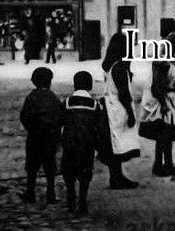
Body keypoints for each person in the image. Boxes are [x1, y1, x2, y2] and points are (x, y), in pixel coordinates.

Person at [61, 70, 107, 214]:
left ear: (74, 85)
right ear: (90, 86)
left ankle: (70, 195)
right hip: (87, 144)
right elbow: (100, 127)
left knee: (69, 170)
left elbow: (59, 122)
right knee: (85, 172)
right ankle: (82, 200)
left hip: (69, 143)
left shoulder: (67, 102)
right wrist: (100, 146)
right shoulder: (94, 105)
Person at [99, 32, 140, 189]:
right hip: (118, 109)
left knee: (114, 144)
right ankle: (117, 178)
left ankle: (116, 176)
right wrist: (130, 113)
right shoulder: (120, 69)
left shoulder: (112, 66)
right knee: (118, 144)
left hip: (111, 106)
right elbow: (124, 94)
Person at [19, 66, 63, 205]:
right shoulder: (53, 97)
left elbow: (24, 116)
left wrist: (31, 128)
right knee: (50, 166)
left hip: (35, 137)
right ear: (50, 81)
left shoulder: (32, 97)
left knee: (32, 166)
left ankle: (30, 192)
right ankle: (51, 193)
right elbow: (59, 117)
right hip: (50, 137)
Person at [138, 55, 175, 177]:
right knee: (162, 131)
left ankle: (167, 164)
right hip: (156, 99)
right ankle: (159, 165)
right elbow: (156, 87)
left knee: (168, 132)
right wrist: (164, 104)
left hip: (168, 97)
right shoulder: (161, 62)